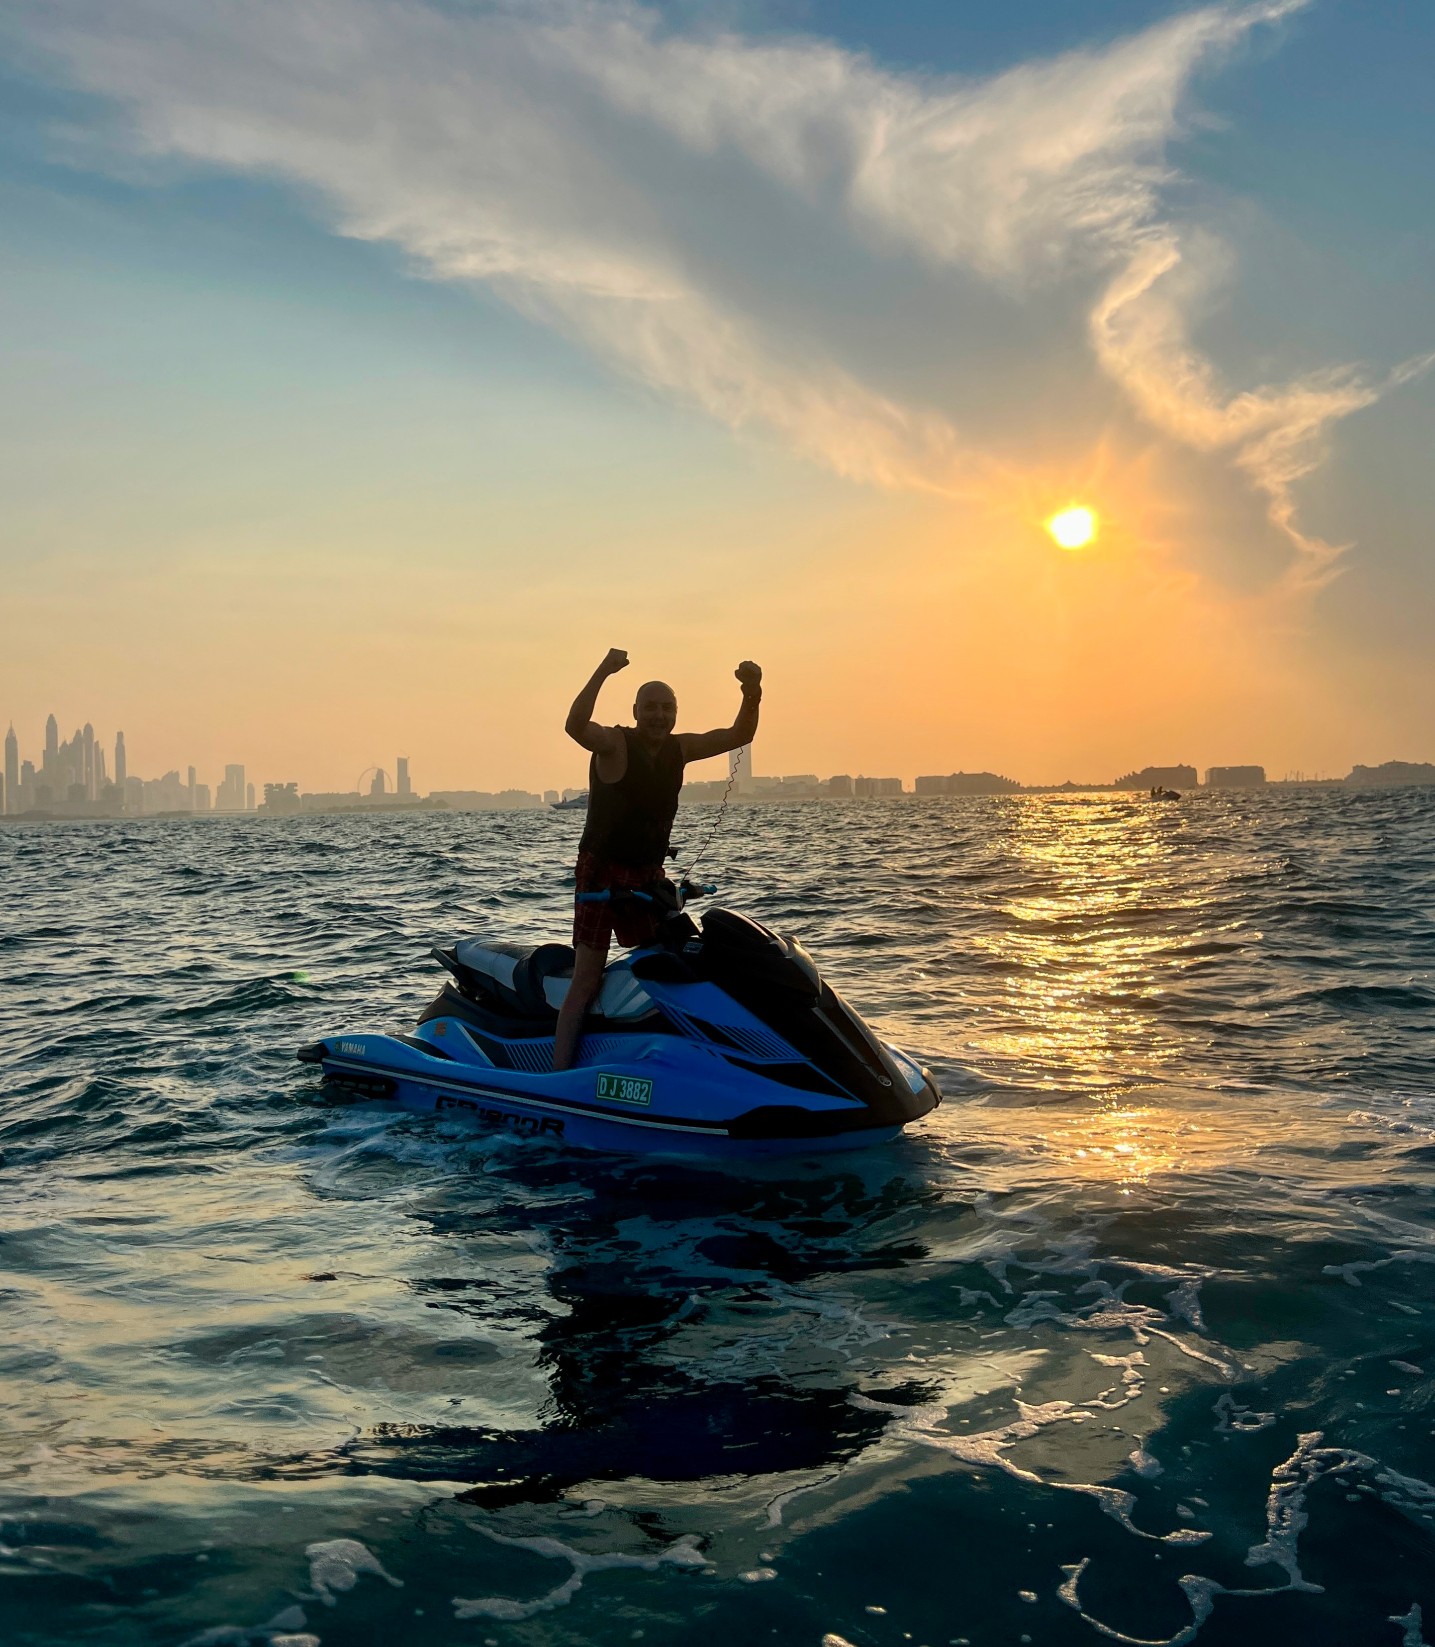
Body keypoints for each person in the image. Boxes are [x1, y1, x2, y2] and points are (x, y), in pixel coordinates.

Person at [553, 648, 762, 1071]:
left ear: (676, 713)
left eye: (667, 708)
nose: (659, 715)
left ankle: (672, 1055)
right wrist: (602, 671)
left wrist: (752, 692)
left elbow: (739, 734)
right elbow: (575, 725)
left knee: (670, 961)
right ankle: (558, 1074)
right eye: (650, 707)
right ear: (635, 711)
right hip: (600, 875)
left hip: (648, 875)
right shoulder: (614, 743)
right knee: (587, 978)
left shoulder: (679, 749)